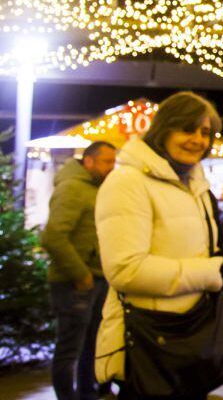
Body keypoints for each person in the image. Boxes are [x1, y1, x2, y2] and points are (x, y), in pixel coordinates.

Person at [94, 92, 223, 400]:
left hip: (191, 338)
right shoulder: (128, 182)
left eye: (205, 132)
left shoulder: (194, 184)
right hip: (152, 339)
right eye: (187, 129)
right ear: (163, 129)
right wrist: (212, 270)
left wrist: (221, 259)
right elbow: (125, 270)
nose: (197, 139)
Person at [41, 141, 116, 400]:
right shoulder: (72, 188)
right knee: (70, 347)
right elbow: (53, 237)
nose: (112, 167)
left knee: (92, 343)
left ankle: (88, 392)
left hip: (96, 278)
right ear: (89, 162)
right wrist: (80, 274)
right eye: (107, 162)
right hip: (75, 282)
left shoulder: (96, 189)